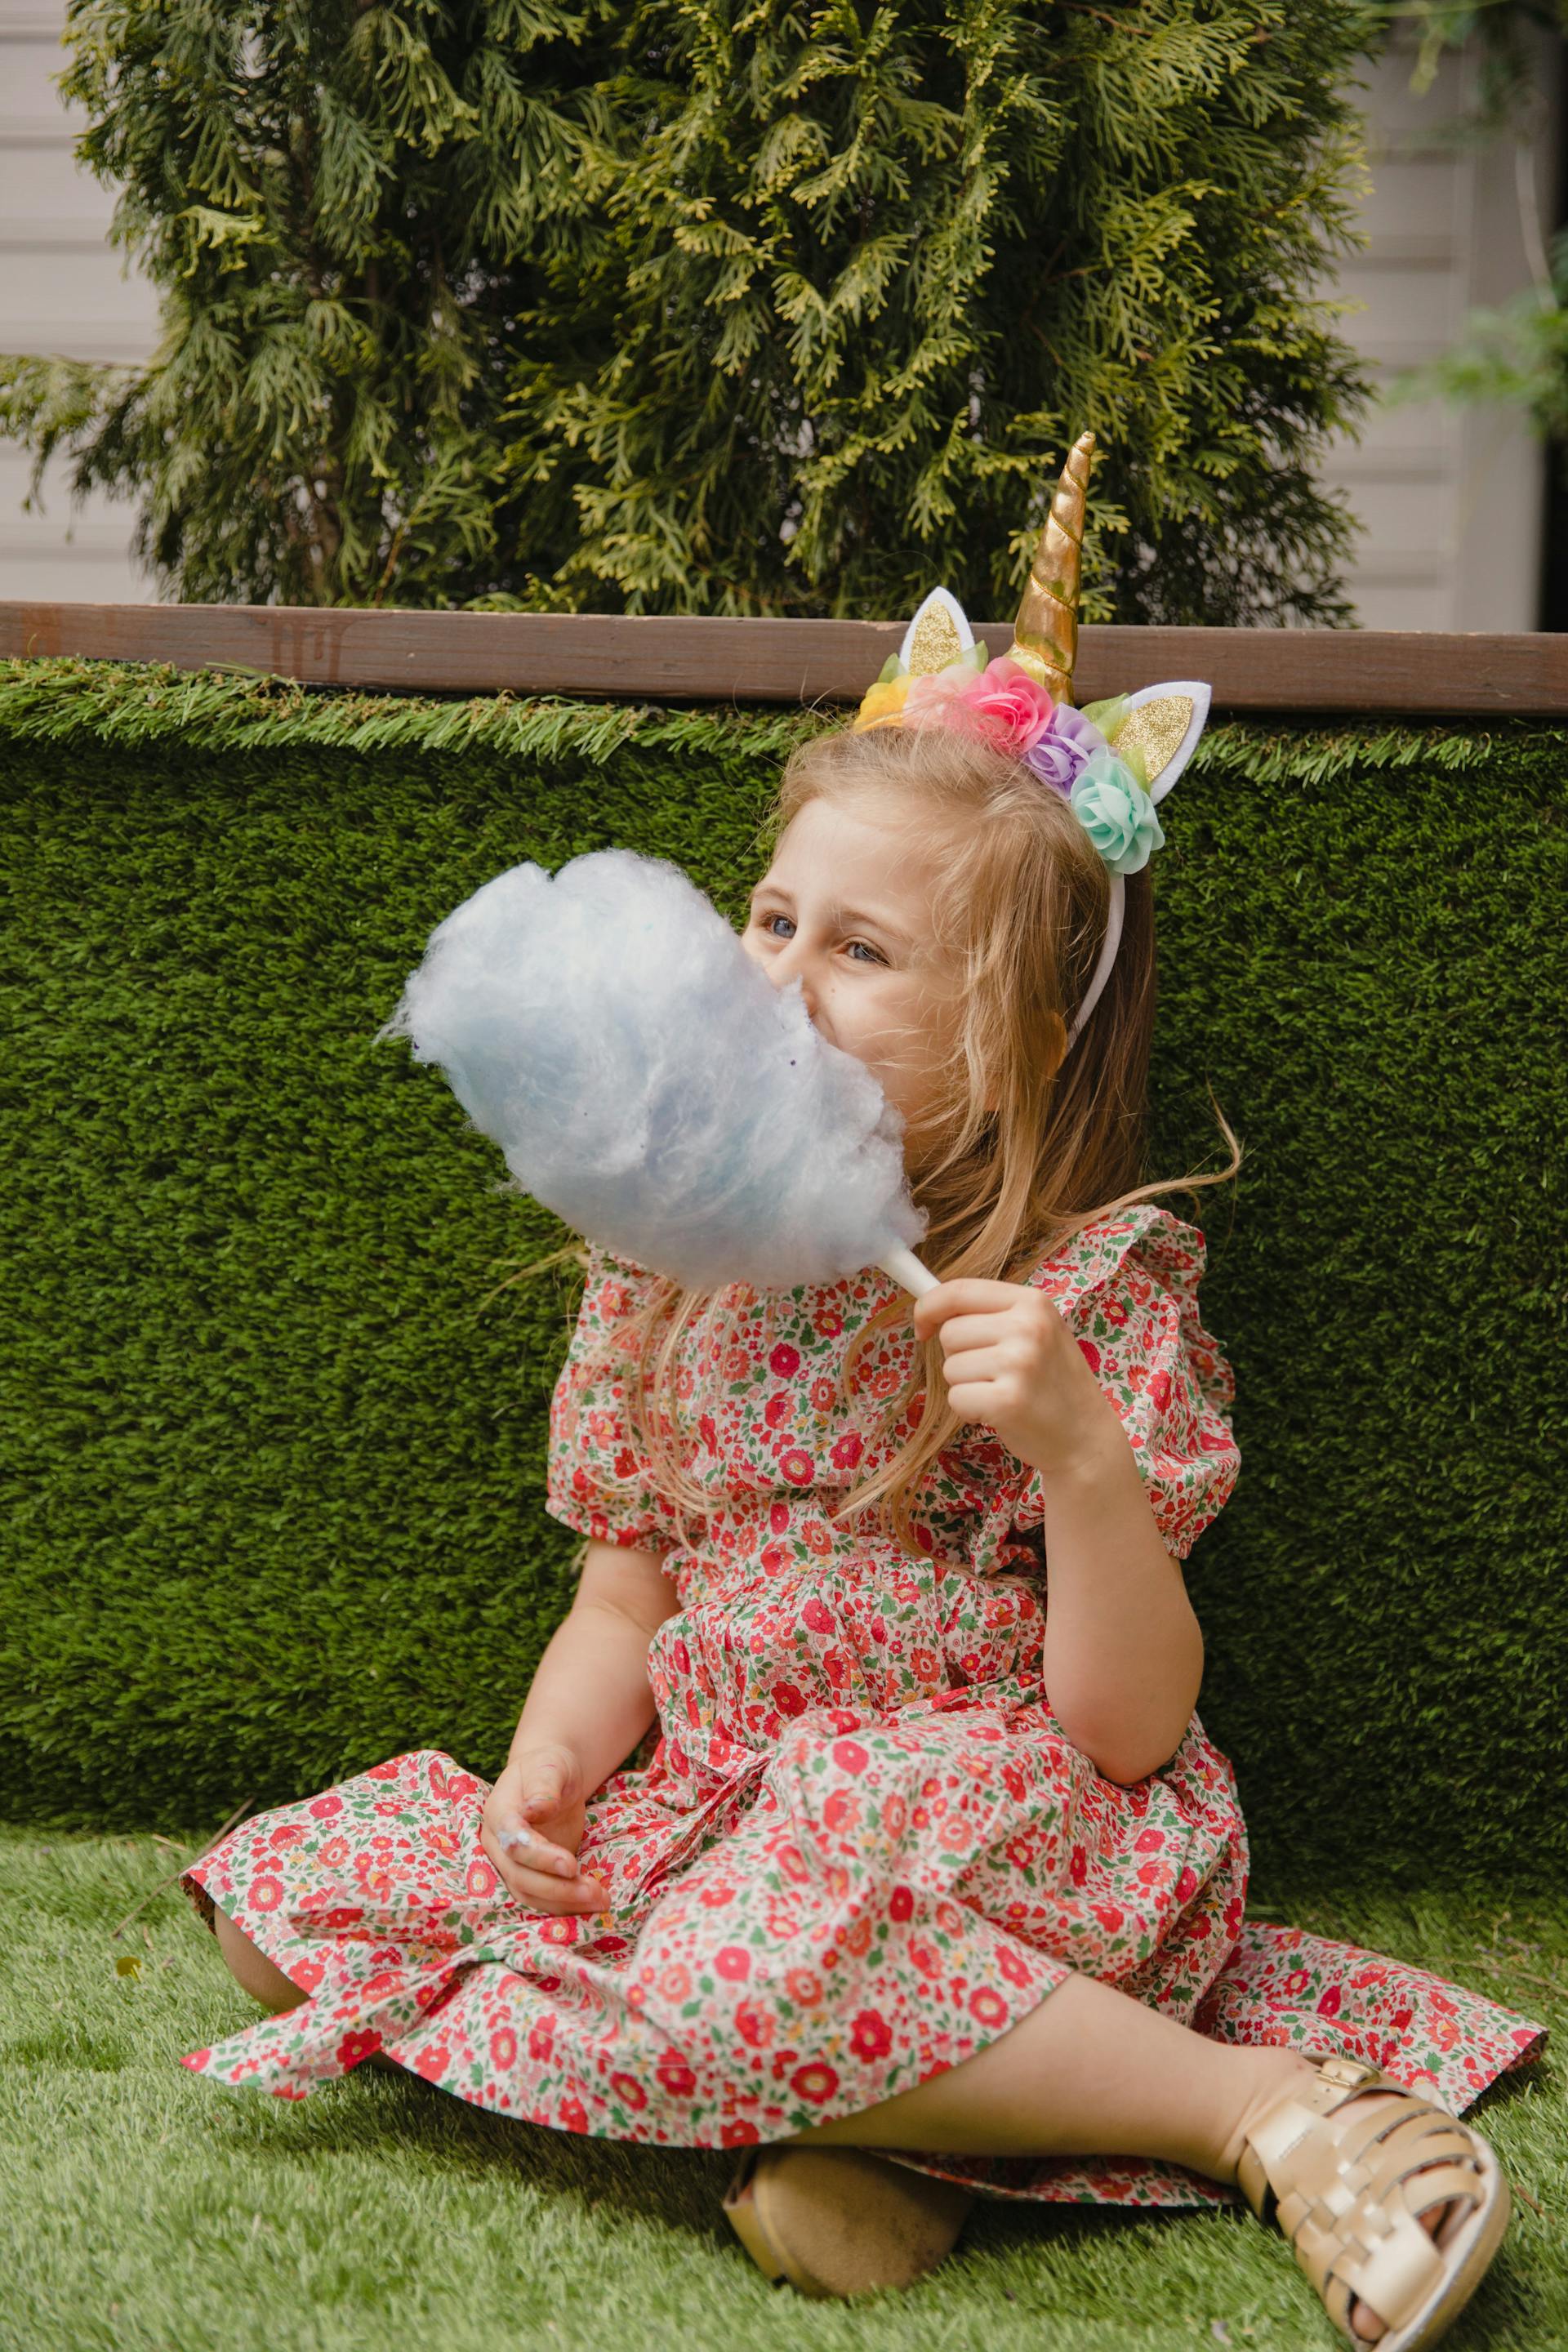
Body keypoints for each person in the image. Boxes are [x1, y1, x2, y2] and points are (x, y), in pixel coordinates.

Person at [178, 437, 1544, 2351]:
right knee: (280, 1905)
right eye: (769, 921)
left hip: (1000, 1822)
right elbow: (627, 1595)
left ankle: (1263, 2112)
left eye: (866, 950)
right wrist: (553, 1763)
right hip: (724, 1817)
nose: (779, 980)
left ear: (1018, 1040)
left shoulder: (1090, 1296)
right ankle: (910, 2137)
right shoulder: (666, 1281)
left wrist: (1078, 1456)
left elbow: (1131, 1733)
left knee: (752, 1961)